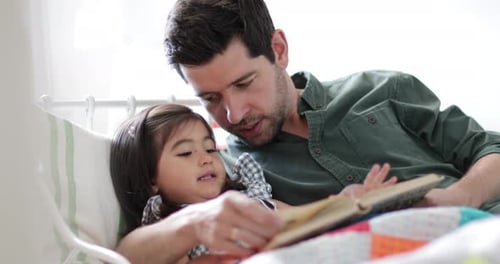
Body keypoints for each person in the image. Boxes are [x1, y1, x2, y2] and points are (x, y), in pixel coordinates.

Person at [162, 0, 500, 212]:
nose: (233, 114)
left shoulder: (382, 90)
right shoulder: (228, 174)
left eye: (244, 84)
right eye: (211, 98)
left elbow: (491, 148)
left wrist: (460, 197)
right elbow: (136, 246)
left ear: (278, 50)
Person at [110, 103, 396, 263]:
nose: (206, 159)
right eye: (186, 153)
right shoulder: (166, 218)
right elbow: (134, 257)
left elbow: (299, 219)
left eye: (210, 149)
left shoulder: (250, 196)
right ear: (151, 178)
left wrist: (344, 203)